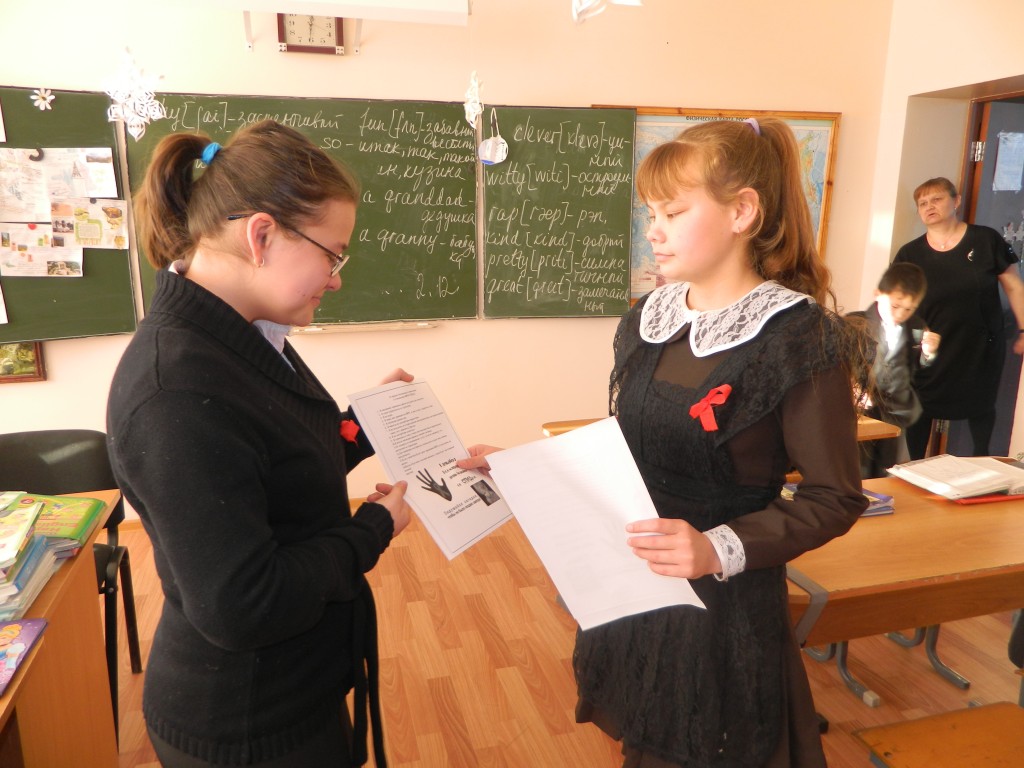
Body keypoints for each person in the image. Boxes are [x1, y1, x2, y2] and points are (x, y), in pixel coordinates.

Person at [459, 117, 868, 767]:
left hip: (724, 613)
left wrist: (715, 547)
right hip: (635, 593)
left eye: (673, 212)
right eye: (651, 213)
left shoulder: (799, 338)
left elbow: (834, 497)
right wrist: (523, 469)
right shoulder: (647, 321)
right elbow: (629, 454)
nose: (653, 230)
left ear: (742, 212)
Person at [106, 120, 412, 768]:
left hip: (295, 691)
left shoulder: (242, 334)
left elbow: (275, 465)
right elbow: (245, 604)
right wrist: (373, 528)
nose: (336, 278)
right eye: (333, 254)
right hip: (245, 724)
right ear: (262, 235)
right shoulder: (176, 392)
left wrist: (365, 424)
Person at [893, 177, 1024, 458]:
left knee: (981, 406)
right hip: (928, 347)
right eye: (922, 203)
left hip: (979, 346)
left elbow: (1014, 286)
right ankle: (915, 466)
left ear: (956, 200)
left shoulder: (986, 240)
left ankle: (981, 463)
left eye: (936, 199)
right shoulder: (910, 253)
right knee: (920, 406)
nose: (929, 206)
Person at [849, 262, 940, 477]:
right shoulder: (855, 323)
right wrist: (851, 386)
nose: (900, 314)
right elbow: (841, 364)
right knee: (858, 469)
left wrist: (929, 353)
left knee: (889, 471)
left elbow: (916, 367)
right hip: (862, 411)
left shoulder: (916, 326)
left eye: (909, 309)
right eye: (895, 306)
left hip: (897, 410)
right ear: (878, 294)